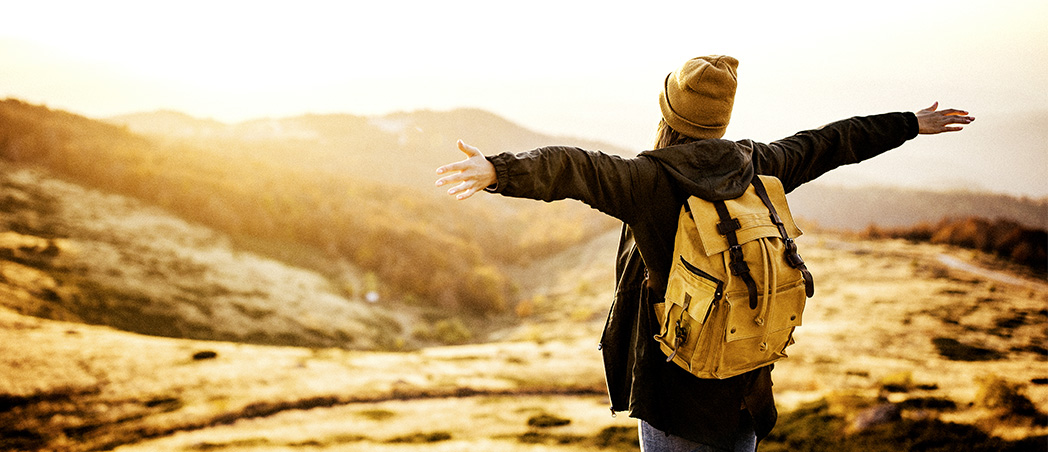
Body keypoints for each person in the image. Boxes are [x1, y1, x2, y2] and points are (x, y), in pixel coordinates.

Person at [435, 55, 973, 452]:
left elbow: (575, 166)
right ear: (721, 120)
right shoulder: (758, 164)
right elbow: (830, 142)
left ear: (670, 114)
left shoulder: (648, 180)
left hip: (677, 398)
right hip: (746, 386)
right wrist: (909, 124)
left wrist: (498, 171)